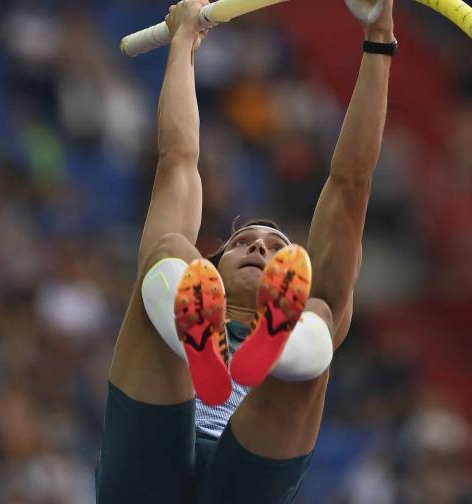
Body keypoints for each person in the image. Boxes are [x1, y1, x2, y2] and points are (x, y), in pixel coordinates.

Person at [95, 0, 396, 501]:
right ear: (212, 268)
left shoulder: (314, 304)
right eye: (242, 242)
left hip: (249, 464)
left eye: (276, 247)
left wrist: (379, 39)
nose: (259, 244)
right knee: (167, 249)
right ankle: (198, 338)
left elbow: (351, 184)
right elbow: (178, 161)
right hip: (152, 456)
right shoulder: (181, 278)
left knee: (319, 311)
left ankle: (277, 345)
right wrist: (182, 46)